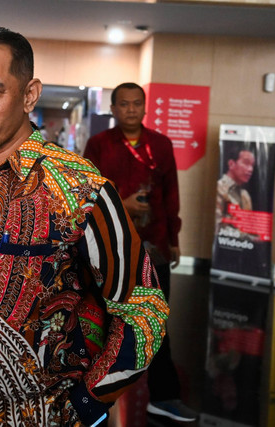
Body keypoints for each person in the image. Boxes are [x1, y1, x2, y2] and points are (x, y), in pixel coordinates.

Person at [0, 28, 169, 427]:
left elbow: (144, 308)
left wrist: (87, 403)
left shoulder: (79, 187)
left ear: (29, 94)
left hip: (41, 415)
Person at [83, 82, 196, 423]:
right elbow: (87, 189)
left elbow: (171, 193)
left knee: (157, 322)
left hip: (155, 243)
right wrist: (123, 203)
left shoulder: (160, 144)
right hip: (111, 246)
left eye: (137, 104)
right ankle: (89, 396)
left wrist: (173, 237)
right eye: (124, 104)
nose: (131, 110)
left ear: (145, 108)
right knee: (100, 319)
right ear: (113, 109)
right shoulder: (99, 144)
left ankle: (164, 397)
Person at [215, 147, 255, 225]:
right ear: (231, 164)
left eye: (252, 165)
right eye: (246, 163)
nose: (250, 169)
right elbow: (217, 224)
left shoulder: (245, 195)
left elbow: (247, 226)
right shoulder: (217, 188)